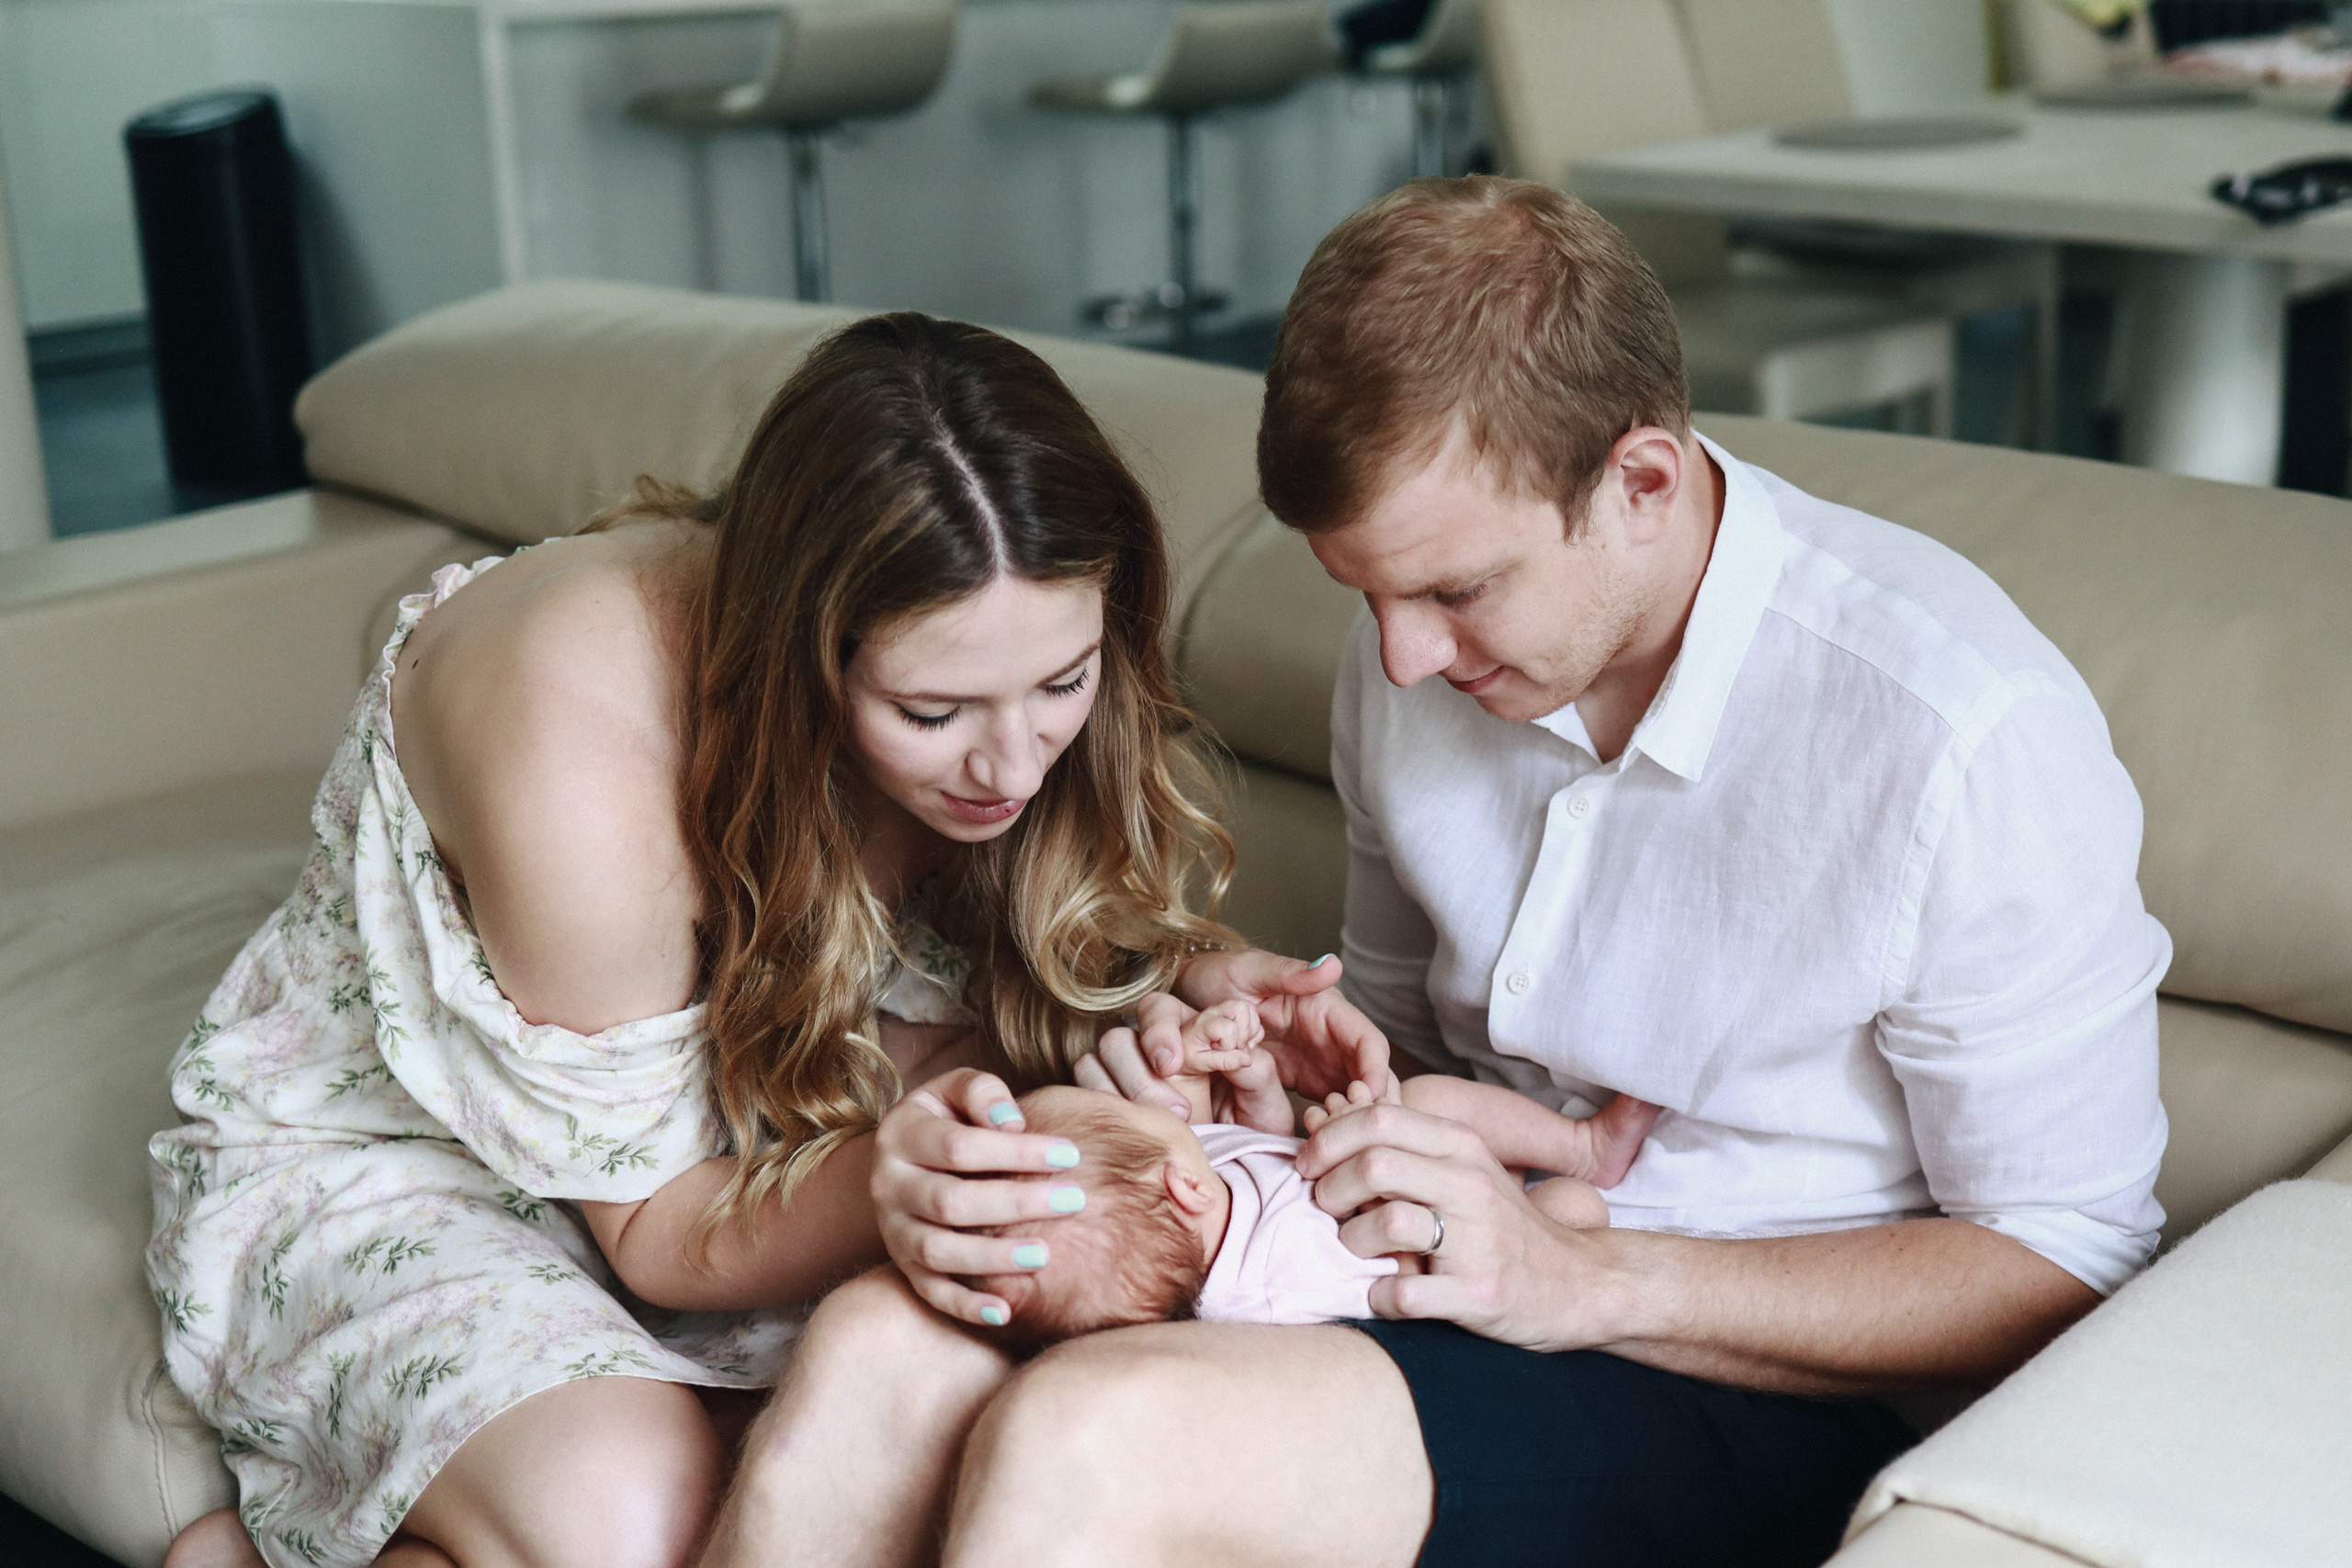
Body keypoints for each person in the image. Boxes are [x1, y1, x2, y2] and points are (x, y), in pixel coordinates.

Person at [741, 177, 2170, 1568]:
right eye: (1368, 595)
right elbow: (1405, 1037)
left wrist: (1590, 1280)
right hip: (1407, 1265)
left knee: (1096, 1436)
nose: (1405, 655)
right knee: (882, 1337)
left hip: (1752, 1375)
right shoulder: (1414, 658)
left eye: (1454, 591)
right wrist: (1278, 1082)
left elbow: (2067, 1251)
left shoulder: (1958, 737)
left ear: (1642, 481)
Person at [146, 312, 1387, 1568]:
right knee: (633, 1516)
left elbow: (998, 955)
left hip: (782, 1110)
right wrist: (890, 1176)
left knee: (915, 1445)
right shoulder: (575, 744)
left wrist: (1181, 984)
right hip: (435, 1157)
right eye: (930, 708)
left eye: (1063, 685)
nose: (1013, 763)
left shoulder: (1015, 654)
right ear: (801, 648)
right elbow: (659, 1228)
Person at [964, 1016, 1659, 1346]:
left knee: (1415, 1108)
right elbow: (1397, 1285)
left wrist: (1250, 1077)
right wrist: (1392, 1170)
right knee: (1568, 1203)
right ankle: (1582, 1153)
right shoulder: (1275, 1286)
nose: (1139, 1097)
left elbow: (1262, 1144)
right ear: (1183, 1187)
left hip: (1428, 1181)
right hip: (1454, 1243)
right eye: (1122, 1108)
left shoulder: (1195, 1183)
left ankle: (1569, 1147)